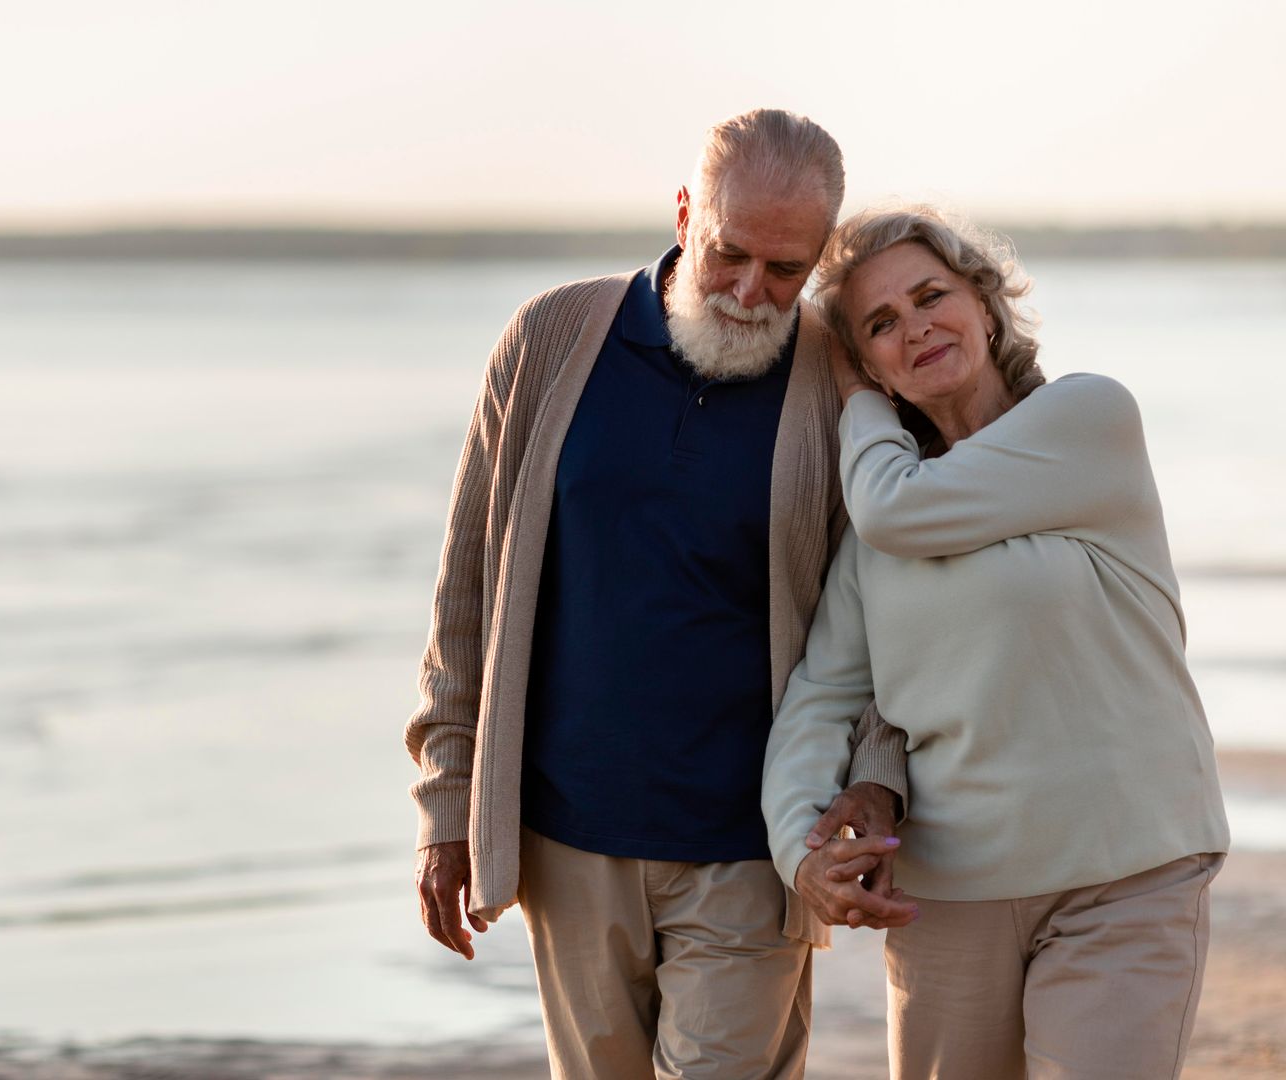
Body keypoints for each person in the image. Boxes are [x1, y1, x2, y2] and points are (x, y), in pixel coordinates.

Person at [404, 109, 914, 1080]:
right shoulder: (550, 340)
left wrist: (877, 779)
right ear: (685, 213)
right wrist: (446, 807)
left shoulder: (843, 388)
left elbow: (894, 611)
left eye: (787, 271)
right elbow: (467, 593)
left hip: (756, 848)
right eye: (730, 254)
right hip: (566, 844)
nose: (752, 292)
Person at [762, 205, 1231, 1078]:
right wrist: (802, 853)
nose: (918, 328)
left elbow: (897, 505)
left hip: (1127, 876)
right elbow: (819, 701)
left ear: (984, 302)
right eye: (881, 326)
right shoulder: (876, 532)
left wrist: (857, 392)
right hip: (945, 898)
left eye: (932, 295)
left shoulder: (1088, 423)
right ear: (872, 364)